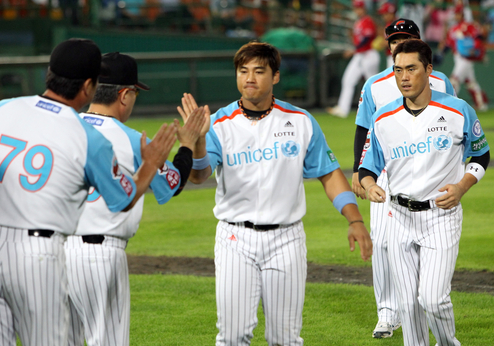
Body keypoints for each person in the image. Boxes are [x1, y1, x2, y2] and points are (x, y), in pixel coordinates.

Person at [177, 41, 373, 345]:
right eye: (243, 71)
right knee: (232, 336)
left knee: (285, 338)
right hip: (234, 239)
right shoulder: (218, 123)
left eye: (258, 71)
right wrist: (199, 142)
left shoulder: (300, 121)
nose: (249, 78)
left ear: (276, 76)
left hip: (287, 239)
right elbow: (200, 175)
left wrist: (355, 219)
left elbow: (329, 173)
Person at [0, 38, 177, 345]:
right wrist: (150, 165)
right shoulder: (88, 137)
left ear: (48, 74)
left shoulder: (2, 108)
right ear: (89, 87)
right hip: (37, 256)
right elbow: (123, 199)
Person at [65, 52, 205, 346]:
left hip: (53, 252)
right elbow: (174, 183)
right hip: (99, 256)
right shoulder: (129, 139)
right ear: (125, 95)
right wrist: (187, 146)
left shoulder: (63, 128)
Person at [359, 38, 490, 346]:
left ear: (429, 70)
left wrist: (461, 186)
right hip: (398, 217)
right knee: (407, 305)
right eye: (398, 70)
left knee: (432, 298)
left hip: (440, 216)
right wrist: (369, 185)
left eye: (412, 69)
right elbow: (367, 167)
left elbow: (481, 155)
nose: (403, 77)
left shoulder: (458, 111)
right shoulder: (383, 118)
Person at [352, 18, 456, 339]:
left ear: (419, 43)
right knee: (382, 242)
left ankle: (426, 302)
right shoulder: (375, 84)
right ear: (388, 45)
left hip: (427, 171)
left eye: (406, 37)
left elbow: (453, 122)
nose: (399, 43)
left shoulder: (440, 82)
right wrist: (359, 169)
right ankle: (387, 312)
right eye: (395, 39)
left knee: (423, 246)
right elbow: (363, 128)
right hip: (385, 170)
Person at [326, 0, 379, 118]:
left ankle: (379, 108)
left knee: (373, 84)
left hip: (368, 54)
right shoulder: (358, 22)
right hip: (359, 55)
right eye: (356, 8)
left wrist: (354, 49)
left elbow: (367, 38)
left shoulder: (367, 21)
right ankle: (342, 109)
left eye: (359, 8)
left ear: (364, 9)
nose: (357, 10)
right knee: (348, 80)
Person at [436, 3, 488, 111]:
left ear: (463, 14)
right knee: (471, 82)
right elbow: (448, 44)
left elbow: (478, 38)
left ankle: (450, 104)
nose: (457, 16)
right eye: (456, 14)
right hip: (457, 57)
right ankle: (481, 104)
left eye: (459, 13)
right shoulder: (453, 28)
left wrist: (476, 49)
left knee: (454, 80)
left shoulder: (470, 26)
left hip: (466, 58)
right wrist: (441, 53)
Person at [377, 2, 398, 68]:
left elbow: (397, 41)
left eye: (385, 14)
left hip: (397, 56)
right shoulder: (388, 24)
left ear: (391, 13)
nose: (383, 17)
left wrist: (384, 43)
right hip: (390, 56)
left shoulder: (397, 24)